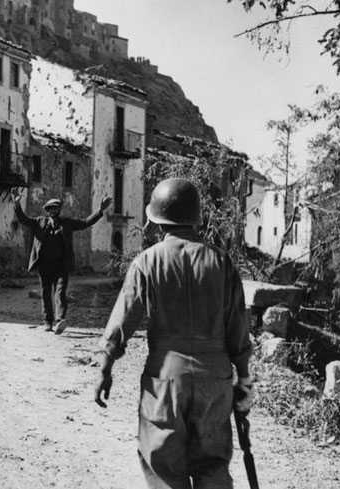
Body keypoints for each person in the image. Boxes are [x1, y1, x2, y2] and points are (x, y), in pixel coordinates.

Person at [94, 177, 253, 489]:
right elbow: (238, 326)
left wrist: (105, 367)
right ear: (195, 217)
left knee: (164, 468)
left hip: (166, 378)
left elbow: (122, 321)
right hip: (215, 378)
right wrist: (243, 380)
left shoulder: (147, 262)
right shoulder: (222, 262)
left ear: (156, 220)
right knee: (213, 466)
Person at [13, 191, 112, 334]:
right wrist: (16, 204)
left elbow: (85, 222)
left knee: (60, 292)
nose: (53, 211)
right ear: (47, 211)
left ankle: (60, 320)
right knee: (46, 293)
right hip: (44, 265)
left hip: (61, 265)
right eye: (50, 209)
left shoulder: (67, 224)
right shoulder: (39, 222)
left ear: (59, 210)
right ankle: (47, 322)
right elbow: (23, 219)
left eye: (55, 208)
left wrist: (100, 210)